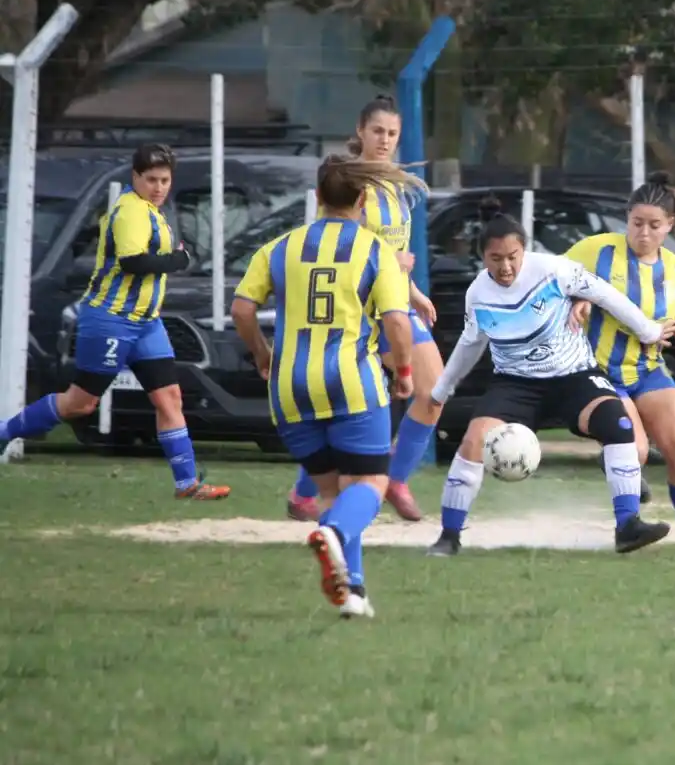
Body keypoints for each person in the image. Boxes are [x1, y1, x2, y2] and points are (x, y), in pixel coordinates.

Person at [423, 211, 675, 556]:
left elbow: (605, 294)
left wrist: (648, 330)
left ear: (524, 252)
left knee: (618, 424)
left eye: (512, 257)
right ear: (483, 257)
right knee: (472, 441)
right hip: (515, 384)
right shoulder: (478, 293)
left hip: (574, 377)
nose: (506, 267)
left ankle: (628, 526)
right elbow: (471, 344)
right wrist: (441, 390)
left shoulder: (553, 270)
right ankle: (448, 537)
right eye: (495, 259)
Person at [230, 156, 419, 619]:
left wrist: (261, 354)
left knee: (335, 490)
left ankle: (352, 593)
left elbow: (241, 309)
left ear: (316, 197)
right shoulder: (376, 251)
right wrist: (406, 372)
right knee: (372, 485)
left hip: (290, 388)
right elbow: (396, 321)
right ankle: (331, 532)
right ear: (362, 200)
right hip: (352, 383)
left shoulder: (279, 248)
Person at [0, 144, 228, 500]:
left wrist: (176, 256)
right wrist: (178, 260)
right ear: (135, 176)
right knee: (81, 403)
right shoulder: (130, 212)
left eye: (165, 179)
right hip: (111, 320)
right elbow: (134, 263)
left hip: (146, 323)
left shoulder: (154, 211)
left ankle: (187, 483)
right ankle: (4, 431)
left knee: (170, 398)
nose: (158, 186)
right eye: (150, 179)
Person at [286, 95, 443, 523]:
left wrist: (413, 291)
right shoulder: (348, 184)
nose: (385, 140)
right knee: (348, 403)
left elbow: (398, 251)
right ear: (360, 131)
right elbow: (339, 248)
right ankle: (307, 491)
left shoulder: (397, 186)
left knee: (435, 393)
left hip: (394, 302)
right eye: (377, 131)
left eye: (392, 133)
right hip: (356, 309)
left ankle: (395, 479)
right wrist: (394, 267)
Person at [564, 172, 675, 552]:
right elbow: (550, 280)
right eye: (637, 223)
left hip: (648, 372)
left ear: (669, 225)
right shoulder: (596, 251)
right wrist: (577, 299)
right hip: (600, 374)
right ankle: (627, 525)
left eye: (654, 225)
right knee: (634, 450)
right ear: (627, 218)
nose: (643, 233)